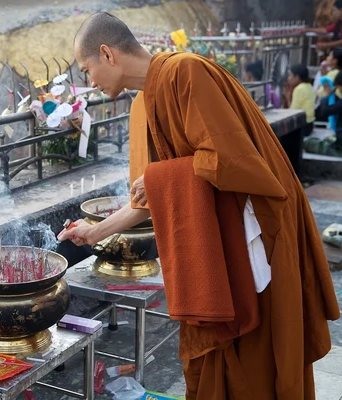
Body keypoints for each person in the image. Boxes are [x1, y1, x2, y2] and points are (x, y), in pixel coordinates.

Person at [59, 12, 340, 399]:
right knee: (214, 368)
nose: (87, 81)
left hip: (252, 246)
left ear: (107, 54)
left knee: (257, 366)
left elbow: (235, 160)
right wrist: (93, 232)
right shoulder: (143, 106)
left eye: (86, 69)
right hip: (215, 255)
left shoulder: (186, 72)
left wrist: (162, 177)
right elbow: (147, 197)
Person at [285, 64, 316, 135]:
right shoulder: (309, 86)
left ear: (297, 77)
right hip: (310, 125)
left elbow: (292, 112)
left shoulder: (299, 89)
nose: (288, 78)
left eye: (290, 75)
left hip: (302, 127)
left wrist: (288, 99)